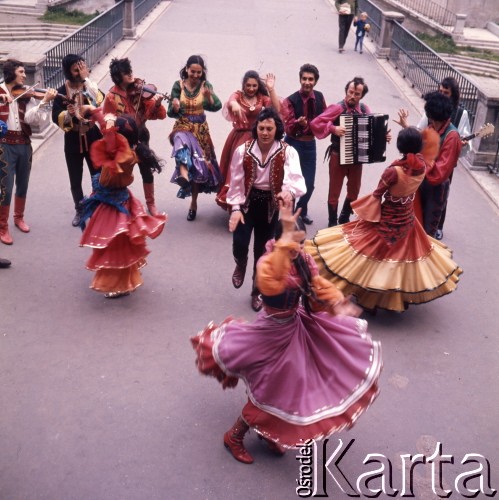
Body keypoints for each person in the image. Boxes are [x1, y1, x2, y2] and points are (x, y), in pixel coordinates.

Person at [191, 201, 382, 463]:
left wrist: (337, 302)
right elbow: (271, 285)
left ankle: (268, 431)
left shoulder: (303, 260)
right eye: (293, 243)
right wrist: (285, 245)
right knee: (271, 390)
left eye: (301, 244)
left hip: (294, 329)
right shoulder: (268, 262)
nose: (298, 249)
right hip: (268, 334)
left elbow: (317, 288)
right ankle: (234, 435)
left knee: (288, 388)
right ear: (279, 241)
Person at [305, 127, 463, 312]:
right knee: (399, 263)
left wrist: (364, 211)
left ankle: (368, 297)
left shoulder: (394, 171)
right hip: (407, 222)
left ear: (400, 147)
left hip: (386, 221)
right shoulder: (423, 165)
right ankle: (394, 298)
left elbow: (377, 194)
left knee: (368, 257)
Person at [224, 107, 306, 312]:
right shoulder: (242, 150)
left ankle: (257, 289)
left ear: (276, 129)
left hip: (271, 205)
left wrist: (288, 192)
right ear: (256, 128)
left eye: (269, 128)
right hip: (247, 202)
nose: (265, 132)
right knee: (239, 242)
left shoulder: (288, 151)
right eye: (261, 128)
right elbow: (235, 182)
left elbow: (295, 179)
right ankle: (241, 262)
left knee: (263, 252)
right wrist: (235, 208)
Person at [79, 113, 167, 298]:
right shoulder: (125, 153)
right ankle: (125, 280)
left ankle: (117, 283)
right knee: (118, 243)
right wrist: (100, 116)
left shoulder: (123, 157)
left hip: (114, 204)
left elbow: (109, 138)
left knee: (113, 245)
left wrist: (106, 121)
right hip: (115, 200)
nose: (107, 137)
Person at [396, 76, 471, 240]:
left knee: (426, 233)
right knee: (412, 224)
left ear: (433, 116)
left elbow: (439, 175)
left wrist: (421, 161)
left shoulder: (452, 136)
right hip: (422, 182)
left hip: (435, 189)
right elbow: (418, 144)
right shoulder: (432, 127)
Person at [310, 76, 391, 227]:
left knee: (354, 191)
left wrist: (383, 137)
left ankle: (344, 216)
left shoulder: (365, 110)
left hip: (357, 158)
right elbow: (316, 123)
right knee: (334, 192)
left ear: (362, 95)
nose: (352, 96)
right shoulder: (337, 108)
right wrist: (333, 128)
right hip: (337, 155)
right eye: (350, 92)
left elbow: (372, 130)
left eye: (357, 94)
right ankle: (332, 222)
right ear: (346, 91)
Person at [0, 59, 57, 245]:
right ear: (11, 73)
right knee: (6, 188)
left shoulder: (27, 94)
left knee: (23, 183)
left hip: (24, 143)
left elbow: (33, 119)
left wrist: (44, 103)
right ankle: (3, 227)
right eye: (22, 72)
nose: (25, 76)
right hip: (4, 145)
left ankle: (19, 218)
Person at [103, 57, 167, 216]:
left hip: (141, 136)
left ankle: (151, 204)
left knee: (147, 170)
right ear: (118, 77)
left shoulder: (139, 91)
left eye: (130, 71)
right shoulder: (111, 97)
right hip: (122, 140)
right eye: (126, 73)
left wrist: (157, 104)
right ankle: (118, 204)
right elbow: (106, 122)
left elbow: (157, 114)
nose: (131, 75)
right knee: (122, 173)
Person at [168, 55, 222, 221]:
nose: (196, 75)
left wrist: (208, 97)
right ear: (187, 69)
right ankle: (183, 175)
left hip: (200, 131)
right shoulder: (178, 86)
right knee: (181, 144)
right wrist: (175, 106)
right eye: (193, 72)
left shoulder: (206, 86)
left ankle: (193, 202)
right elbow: (170, 112)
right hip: (183, 126)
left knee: (199, 167)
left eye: (199, 72)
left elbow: (217, 106)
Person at [52, 54, 104, 227]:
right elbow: (56, 117)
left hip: (92, 136)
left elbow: (99, 100)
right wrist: (69, 114)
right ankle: (80, 209)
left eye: (82, 68)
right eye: (76, 69)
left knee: (98, 174)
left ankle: (98, 207)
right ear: (68, 72)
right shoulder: (61, 92)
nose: (80, 72)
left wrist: (86, 79)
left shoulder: (88, 86)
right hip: (73, 139)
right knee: (75, 179)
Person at [216, 70, 280, 210]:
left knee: (255, 173)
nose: (251, 89)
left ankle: (250, 202)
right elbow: (231, 101)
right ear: (243, 85)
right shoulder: (237, 95)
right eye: (248, 85)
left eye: (254, 86)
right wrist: (235, 104)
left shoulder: (262, 98)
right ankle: (234, 206)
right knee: (237, 172)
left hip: (257, 139)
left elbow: (277, 108)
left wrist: (271, 89)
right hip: (239, 138)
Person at [282, 63, 326, 226]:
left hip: (309, 145)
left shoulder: (320, 97)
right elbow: (287, 126)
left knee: (309, 184)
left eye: (311, 79)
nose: (307, 82)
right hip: (293, 144)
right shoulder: (291, 100)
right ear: (300, 79)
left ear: (315, 81)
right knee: (290, 182)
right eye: (304, 78)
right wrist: (297, 124)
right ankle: (291, 214)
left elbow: (325, 118)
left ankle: (300, 211)